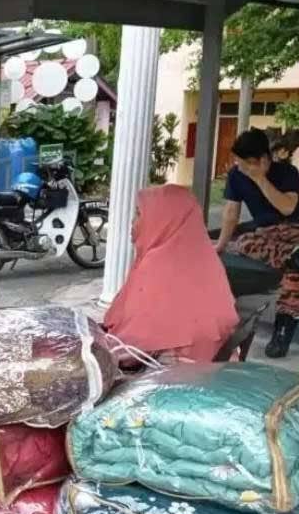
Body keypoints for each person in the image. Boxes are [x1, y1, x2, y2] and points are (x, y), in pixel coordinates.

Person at [105, 184, 238, 364]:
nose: (132, 221)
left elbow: (133, 348)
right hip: (215, 365)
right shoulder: (206, 258)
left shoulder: (156, 267)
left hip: (172, 376)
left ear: (162, 221)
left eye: (139, 214)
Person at [215, 129, 299, 357]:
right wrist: (220, 245)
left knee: (294, 268)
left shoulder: (287, 172)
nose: (239, 166)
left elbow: (287, 208)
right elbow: (231, 213)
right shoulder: (236, 175)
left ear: (263, 160)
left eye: (245, 162)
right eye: (238, 161)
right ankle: (293, 257)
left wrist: (260, 178)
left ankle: (283, 328)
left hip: (294, 229)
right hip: (265, 234)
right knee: (245, 243)